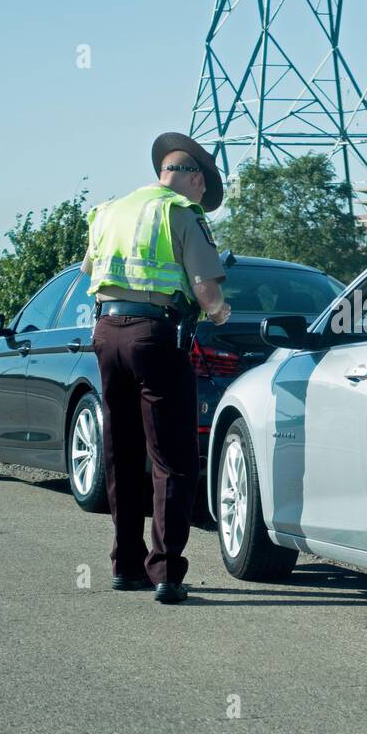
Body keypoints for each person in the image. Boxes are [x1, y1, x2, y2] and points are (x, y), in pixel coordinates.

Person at [81, 132, 232, 604]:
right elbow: (208, 294)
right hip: (155, 336)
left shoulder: (110, 210)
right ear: (189, 177)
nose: (204, 196)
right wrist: (220, 315)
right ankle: (166, 572)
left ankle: (125, 565)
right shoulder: (180, 214)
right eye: (204, 186)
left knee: (122, 451)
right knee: (171, 457)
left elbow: (89, 271)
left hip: (106, 334)